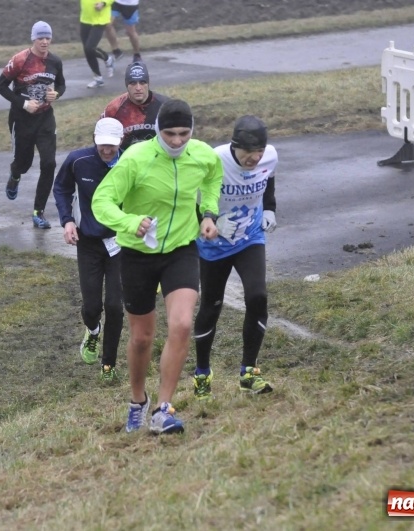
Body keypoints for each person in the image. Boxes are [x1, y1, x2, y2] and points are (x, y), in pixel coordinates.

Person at [91, 99, 224, 435]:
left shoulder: (202, 154)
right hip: (137, 256)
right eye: (169, 134)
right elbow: (101, 201)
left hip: (181, 250)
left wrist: (208, 214)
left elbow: (212, 178)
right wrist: (128, 220)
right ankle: (138, 401)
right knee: (142, 338)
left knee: (180, 324)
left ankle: (163, 409)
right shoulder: (136, 159)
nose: (177, 141)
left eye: (184, 133)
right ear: (157, 130)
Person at [192, 116, 278, 400]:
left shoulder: (270, 157)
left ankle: (249, 372)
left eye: (259, 152)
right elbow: (195, 200)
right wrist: (209, 221)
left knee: (257, 297)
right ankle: (202, 372)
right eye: (247, 153)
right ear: (234, 145)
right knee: (210, 307)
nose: (254, 158)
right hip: (215, 244)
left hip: (250, 238)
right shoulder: (215, 159)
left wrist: (269, 208)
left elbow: (269, 180)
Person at [52, 118, 126, 383]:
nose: (107, 150)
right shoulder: (78, 160)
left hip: (120, 243)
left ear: (121, 143)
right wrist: (67, 220)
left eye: (112, 146)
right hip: (89, 244)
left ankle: (108, 364)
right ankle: (93, 331)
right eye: (102, 145)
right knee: (93, 306)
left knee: (115, 306)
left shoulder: (130, 162)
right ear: (95, 139)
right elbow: (61, 188)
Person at [0, 21, 66, 230]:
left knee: (49, 163)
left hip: (45, 118)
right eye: (40, 38)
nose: (44, 42)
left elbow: (61, 83)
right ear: (33, 39)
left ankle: (38, 212)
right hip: (21, 119)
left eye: (47, 38)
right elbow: (0, 86)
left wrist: (57, 94)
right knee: (24, 164)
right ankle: (15, 174)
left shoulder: (55, 61)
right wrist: (24, 104)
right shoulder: (20, 60)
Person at [101, 61, 169, 151]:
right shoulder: (113, 109)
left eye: (142, 82)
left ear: (148, 84)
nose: (138, 88)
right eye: (133, 83)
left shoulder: (166, 107)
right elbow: (102, 143)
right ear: (126, 85)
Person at [80, 0, 116, 89]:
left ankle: (107, 59)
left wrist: (103, 3)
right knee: (87, 50)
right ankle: (98, 79)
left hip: (100, 19)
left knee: (90, 48)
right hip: (85, 19)